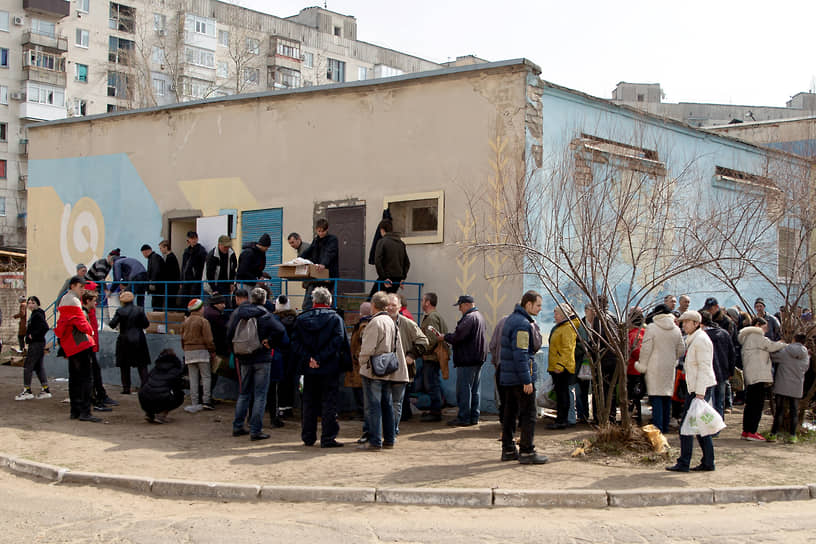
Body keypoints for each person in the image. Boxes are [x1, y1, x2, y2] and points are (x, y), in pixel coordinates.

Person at [291, 286, 350, 448]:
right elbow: (338, 341)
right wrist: (320, 358)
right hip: (329, 367)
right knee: (329, 402)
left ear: (314, 300)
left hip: (308, 368)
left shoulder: (302, 319)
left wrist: (309, 358)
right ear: (329, 301)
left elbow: (295, 343)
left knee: (308, 402)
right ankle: (328, 437)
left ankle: (308, 437)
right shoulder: (335, 319)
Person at [228, 287, 287, 441]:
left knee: (244, 394)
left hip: (244, 358)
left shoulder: (238, 313)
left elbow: (228, 333)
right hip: (262, 358)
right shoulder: (265, 315)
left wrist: (236, 351)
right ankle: (256, 430)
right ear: (264, 299)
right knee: (260, 395)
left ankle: (238, 426)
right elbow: (280, 330)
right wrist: (270, 342)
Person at [498, 291, 549, 464]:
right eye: (538, 305)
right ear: (528, 304)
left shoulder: (512, 319)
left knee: (510, 413)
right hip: (520, 378)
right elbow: (520, 354)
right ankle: (527, 451)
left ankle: (508, 449)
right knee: (529, 414)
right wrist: (527, 380)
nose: (540, 309)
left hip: (509, 376)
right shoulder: (522, 323)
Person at [666, 310, 717, 472]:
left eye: (688, 322)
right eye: (683, 322)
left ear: (697, 323)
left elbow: (704, 367)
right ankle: (707, 462)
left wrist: (700, 393)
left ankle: (684, 462)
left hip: (698, 389)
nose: (684, 325)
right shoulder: (693, 339)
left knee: (687, 427)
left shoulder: (700, 340)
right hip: (694, 388)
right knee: (700, 427)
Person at [358, 291, 408, 450]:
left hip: (373, 369)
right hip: (387, 368)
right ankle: (389, 439)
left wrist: (362, 362)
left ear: (373, 305)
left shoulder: (375, 322)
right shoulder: (391, 321)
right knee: (387, 405)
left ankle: (375, 441)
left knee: (374, 406)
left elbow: (368, 348)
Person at [635, 303, 685, 434]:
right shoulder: (676, 329)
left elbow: (646, 349)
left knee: (656, 397)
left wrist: (642, 365)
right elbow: (681, 349)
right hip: (669, 367)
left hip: (654, 367)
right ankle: (665, 426)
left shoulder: (652, 328)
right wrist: (672, 358)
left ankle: (658, 430)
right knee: (667, 397)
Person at [55, 276, 99, 422]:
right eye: (81, 287)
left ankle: (75, 410)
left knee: (74, 378)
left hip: (70, 344)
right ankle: (85, 412)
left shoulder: (65, 299)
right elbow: (82, 323)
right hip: (80, 343)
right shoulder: (73, 301)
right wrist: (90, 330)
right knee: (86, 378)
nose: (83, 290)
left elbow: (62, 325)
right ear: (73, 286)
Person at [439, 295, 487, 427]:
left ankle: (464, 418)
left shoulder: (469, 318)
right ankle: (473, 417)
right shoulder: (479, 316)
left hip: (467, 359)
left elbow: (458, 336)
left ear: (466, 304)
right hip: (477, 358)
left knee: (464, 390)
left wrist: (445, 337)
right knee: (475, 390)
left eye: (460, 306)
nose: (460, 309)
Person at [739, 317, 786, 441]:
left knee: (750, 404)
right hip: (758, 375)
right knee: (757, 405)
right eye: (764, 327)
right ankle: (752, 431)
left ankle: (746, 430)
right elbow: (771, 346)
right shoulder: (756, 336)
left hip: (751, 375)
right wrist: (783, 343)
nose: (765, 331)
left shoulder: (746, 337)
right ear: (758, 325)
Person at [388, 293, 428, 430]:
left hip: (401, 369)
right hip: (383, 369)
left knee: (396, 402)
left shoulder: (407, 323)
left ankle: (391, 431)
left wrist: (412, 355)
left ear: (400, 307)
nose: (390, 308)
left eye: (394, 305)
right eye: (388, 305)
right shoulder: (379, 322)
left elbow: (423, 341)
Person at [109, 291, 151, 394]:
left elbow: (112, 324)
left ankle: (126, 389)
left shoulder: (120, 311)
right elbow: (146, 324)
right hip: (139, 339)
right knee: (142, 365)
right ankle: (145, 387)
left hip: (124, 340)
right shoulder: (139, 310)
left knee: (124, 366)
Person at [81, 287, 116, 413]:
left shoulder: (87, 313)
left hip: (90, 346)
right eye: (94, 300)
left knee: (91, 374)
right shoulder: (84, 314)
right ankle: (93, 401)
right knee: (89, 376)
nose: (96, 303)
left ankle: (95, 399)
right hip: (87, 347)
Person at [770, 334, 809, 442]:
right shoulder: (806, 355)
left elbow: (773, 357)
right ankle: (792, 436)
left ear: (794, 339)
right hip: (797, 386)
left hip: (782, 384)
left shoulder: (786, 350)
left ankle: (773, 434)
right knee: (794, 411)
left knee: (779, 411)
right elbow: (806, 368)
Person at [548, 302, 580, 430]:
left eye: (556, 313)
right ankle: (560, 419)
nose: (554, 316)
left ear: (562, 315)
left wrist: (560, 365)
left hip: (563, 368)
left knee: (563, 395)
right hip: (558, 367)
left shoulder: (567, 328)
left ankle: (562, 420)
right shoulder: (562, 326)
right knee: (561, 394)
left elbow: (568, 349)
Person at [181, 298, 216, 413]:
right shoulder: (203, 321)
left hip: (188, 351)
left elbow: (182, 338)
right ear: (200, 308)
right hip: (202, 351)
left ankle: (194, 402)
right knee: (206, 377)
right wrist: (212, 350)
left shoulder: (185, 321)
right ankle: (206, 401)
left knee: (193, 378)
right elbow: (208, 339)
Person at [418, 292, 448, 422]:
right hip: (432, 357)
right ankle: (434, 410)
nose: (421, 302)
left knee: (431, 385)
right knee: (432, 383)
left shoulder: (431, 318)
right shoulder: (434, 316)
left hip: (431, 357)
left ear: (427, 302)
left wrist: (422, 352)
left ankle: (436, 412)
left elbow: (431, 339)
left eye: (422, 300)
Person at [14, 296, 51, 401]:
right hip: (37, 343)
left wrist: (33, 335)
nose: (30, 305)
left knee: (28, 366)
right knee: (39, 366)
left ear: (37, 304)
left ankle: (27, 390)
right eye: (29, 303)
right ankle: (45, 389)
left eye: (33, 303)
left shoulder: (37, 314)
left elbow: (45, 327)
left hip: (36, 344)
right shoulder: (36, 314)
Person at [701, 311, 736, 420]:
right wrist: (731, 371)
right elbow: (732, 353)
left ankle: (706, 426)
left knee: (706, 400)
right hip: (722, 372)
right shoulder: (724, 333)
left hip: (707, 372)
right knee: (719, 401)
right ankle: (718, 425)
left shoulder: (702, 335)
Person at [139, 349, 186, 424]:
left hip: (144, 400)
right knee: (180, 395)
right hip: (160, 399)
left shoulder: (154, 369)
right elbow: (178, 386)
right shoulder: (175, 369)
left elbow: (144, 383)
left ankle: (149, 414)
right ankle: (161, 415)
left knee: (152, 391)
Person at [301, 218, 339, 310]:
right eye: (319, 231)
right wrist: (299, 259)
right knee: (311, 299)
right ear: (316, 230)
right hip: (316, 275)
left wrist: (323, 264)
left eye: (323, 231)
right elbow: (308, 251)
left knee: (325, 298)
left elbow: (329, 253)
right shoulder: (316, 240)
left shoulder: (332, 240)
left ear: (327, 230)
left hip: (328, 274)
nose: (321, 233)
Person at [273, 295, 298, 421]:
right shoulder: (296, 320)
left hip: (278, 354)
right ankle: (288, 407)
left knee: (279, 382)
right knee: (290, 381)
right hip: (292, 354)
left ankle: (280, 407)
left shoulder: (274, 320)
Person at [347, 302, 372, 429]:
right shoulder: (367, 324)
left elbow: (362, 344)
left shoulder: (363, 325)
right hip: (361, 364)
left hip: (359, 365)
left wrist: (357, 357)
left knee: (359, 389)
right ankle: (361, 411)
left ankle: (362, 412)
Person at [370, 219, 410, 296]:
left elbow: (377, 261)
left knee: (373, 301)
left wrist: (383, 277)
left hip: (386, 278)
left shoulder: (382, 241)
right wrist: (403, 278)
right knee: (389, 301)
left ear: (382, 230)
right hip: (397, 279)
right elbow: (407, 263)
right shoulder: (401, 243)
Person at [203, 294, 230, 396]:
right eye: (222, 303)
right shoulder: (216, 316)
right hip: (214, 349)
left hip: (204, 349)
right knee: (212, 375)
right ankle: (207, 397)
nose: (224, 305)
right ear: (216, 304)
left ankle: (204, 397)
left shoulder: (207, 312)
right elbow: (222, 332)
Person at [626, 308, 646, 425]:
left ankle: (633, 417)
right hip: (640, 369)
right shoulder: (644, 332)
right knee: (637, 394)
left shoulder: (634, 334)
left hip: (634, 369)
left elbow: (637, 352)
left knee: (633, 395)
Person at [180, 231, 207, 305]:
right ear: (188, 239)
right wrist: (182, 279)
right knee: (184, 300)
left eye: (195, 238)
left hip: (196, 279)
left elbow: (203, 266)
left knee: (194, 299)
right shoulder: (186, 251)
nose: (194, 240)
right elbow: (183, 266)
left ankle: (192, 314)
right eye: (192, 238)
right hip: (187, 279)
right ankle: (186, 315)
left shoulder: (201, 251)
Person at [158, 240, 181, 311]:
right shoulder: (170, 257)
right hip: (172, 283)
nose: (160, 250)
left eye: (161, 248)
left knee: (171, 302)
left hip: (172, 284)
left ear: (166, 247)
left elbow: (169, 272)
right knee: (171, 302)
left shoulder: (170, 258)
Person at [141, 244, 164, 311]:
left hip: (157, 285)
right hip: (158, 285)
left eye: (143, 253)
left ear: (146, 251)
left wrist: (152, 283)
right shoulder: (154, 257)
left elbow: (155, 270)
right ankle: (157, 318)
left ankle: (157, 319)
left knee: (156, 303)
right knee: (156, 303)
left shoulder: (154, 257)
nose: (144, 255)